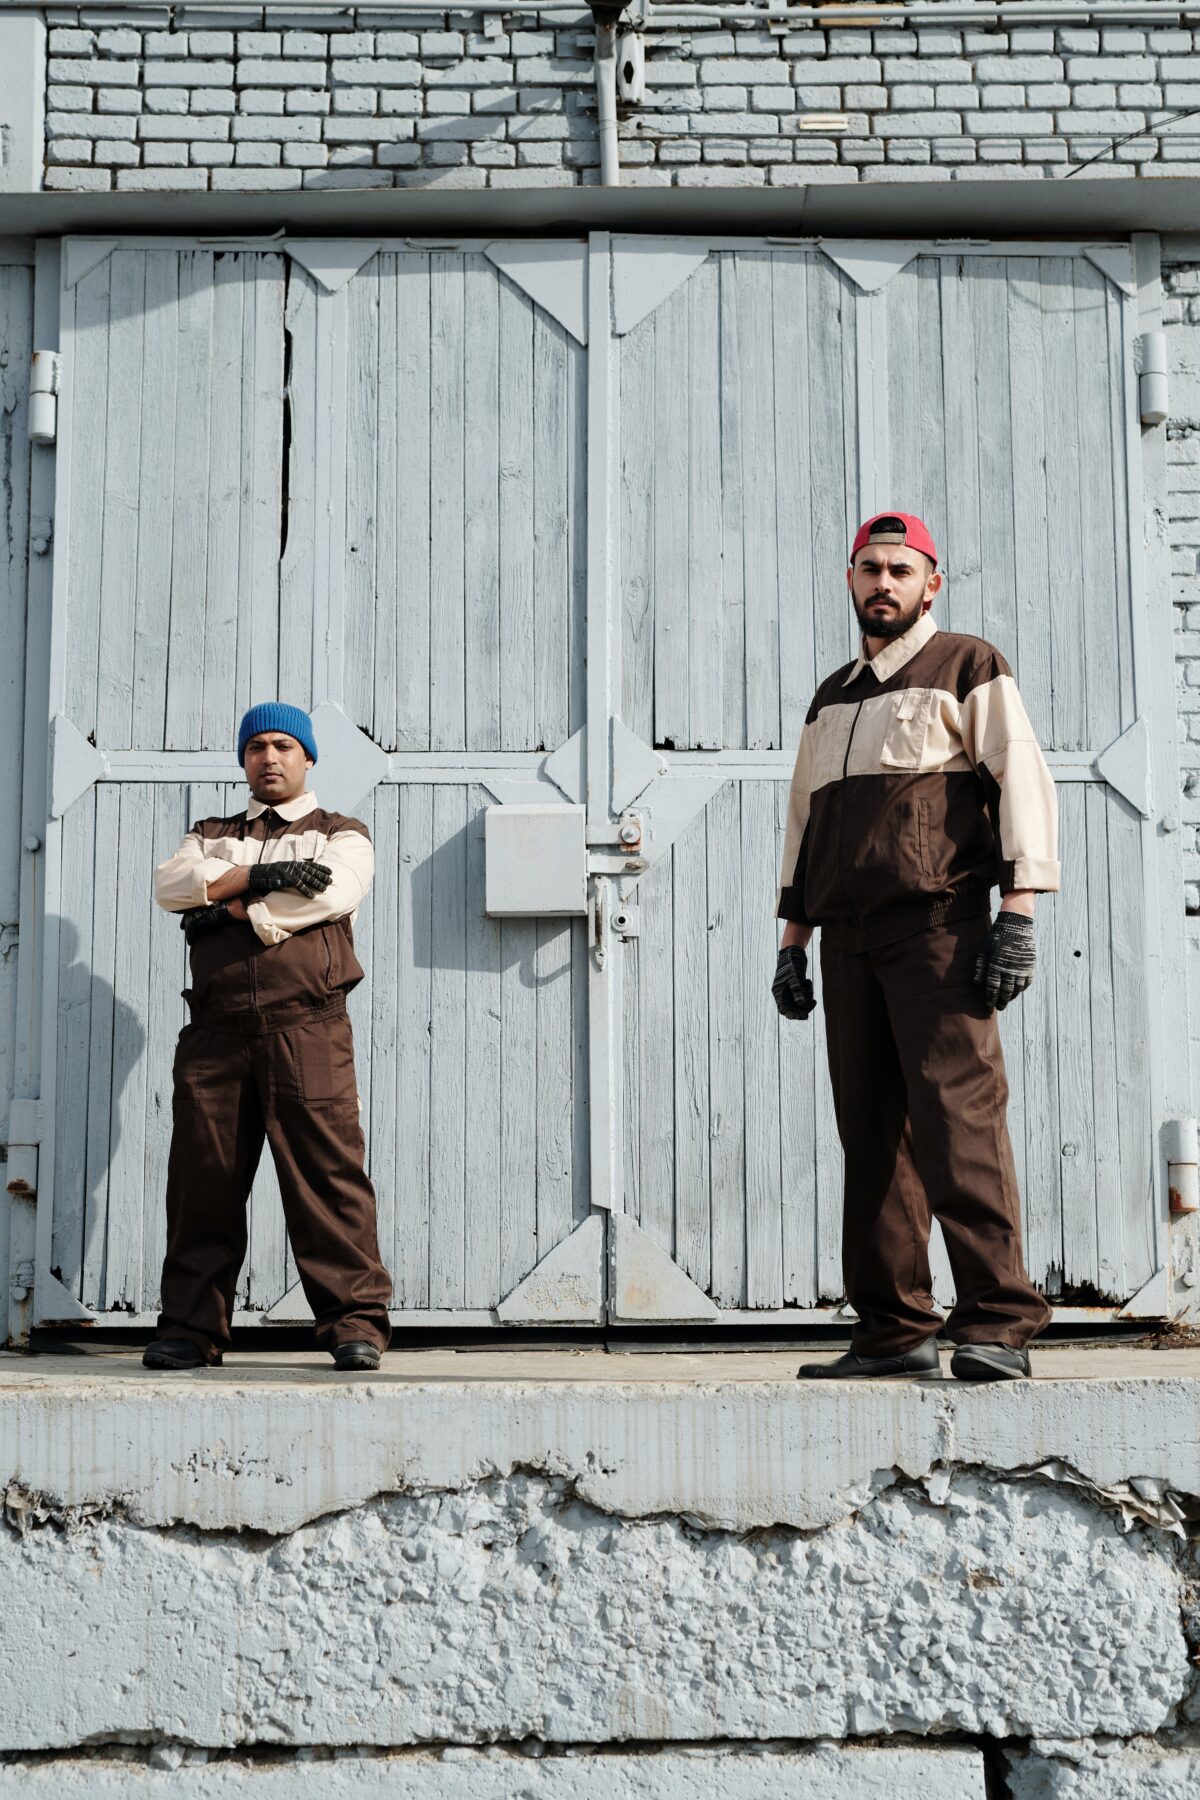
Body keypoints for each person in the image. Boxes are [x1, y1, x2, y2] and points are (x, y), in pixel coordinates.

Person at [773, 514, 1058, 1383]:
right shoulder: (833, 696)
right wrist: (793, 938)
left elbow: (1022, 783)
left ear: (931, 584)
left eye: (902, 569)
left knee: (957, 1121)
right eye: (870, 568)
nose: (884, 583)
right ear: (850, 580)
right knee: (871, 1134)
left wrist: (1019, 912)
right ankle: (894, 1331)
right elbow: (805, 824)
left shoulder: (968, 665)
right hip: (848, 945)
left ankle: (997, 1321)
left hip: (939, 932)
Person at [142, 702, 392, 1373]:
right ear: (243, 759)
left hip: (306, 1028)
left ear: (308, 757)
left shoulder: (341, 834)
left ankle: (354, 1325)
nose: (270, 757)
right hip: (214, 1034)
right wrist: (261, 876)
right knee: (205, 1183)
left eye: (284, 745)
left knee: (327, 1177)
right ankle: (190, 1330)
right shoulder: (210, 832)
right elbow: (170, 885)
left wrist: (224, 908)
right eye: (257, 746)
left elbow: (330, 895)